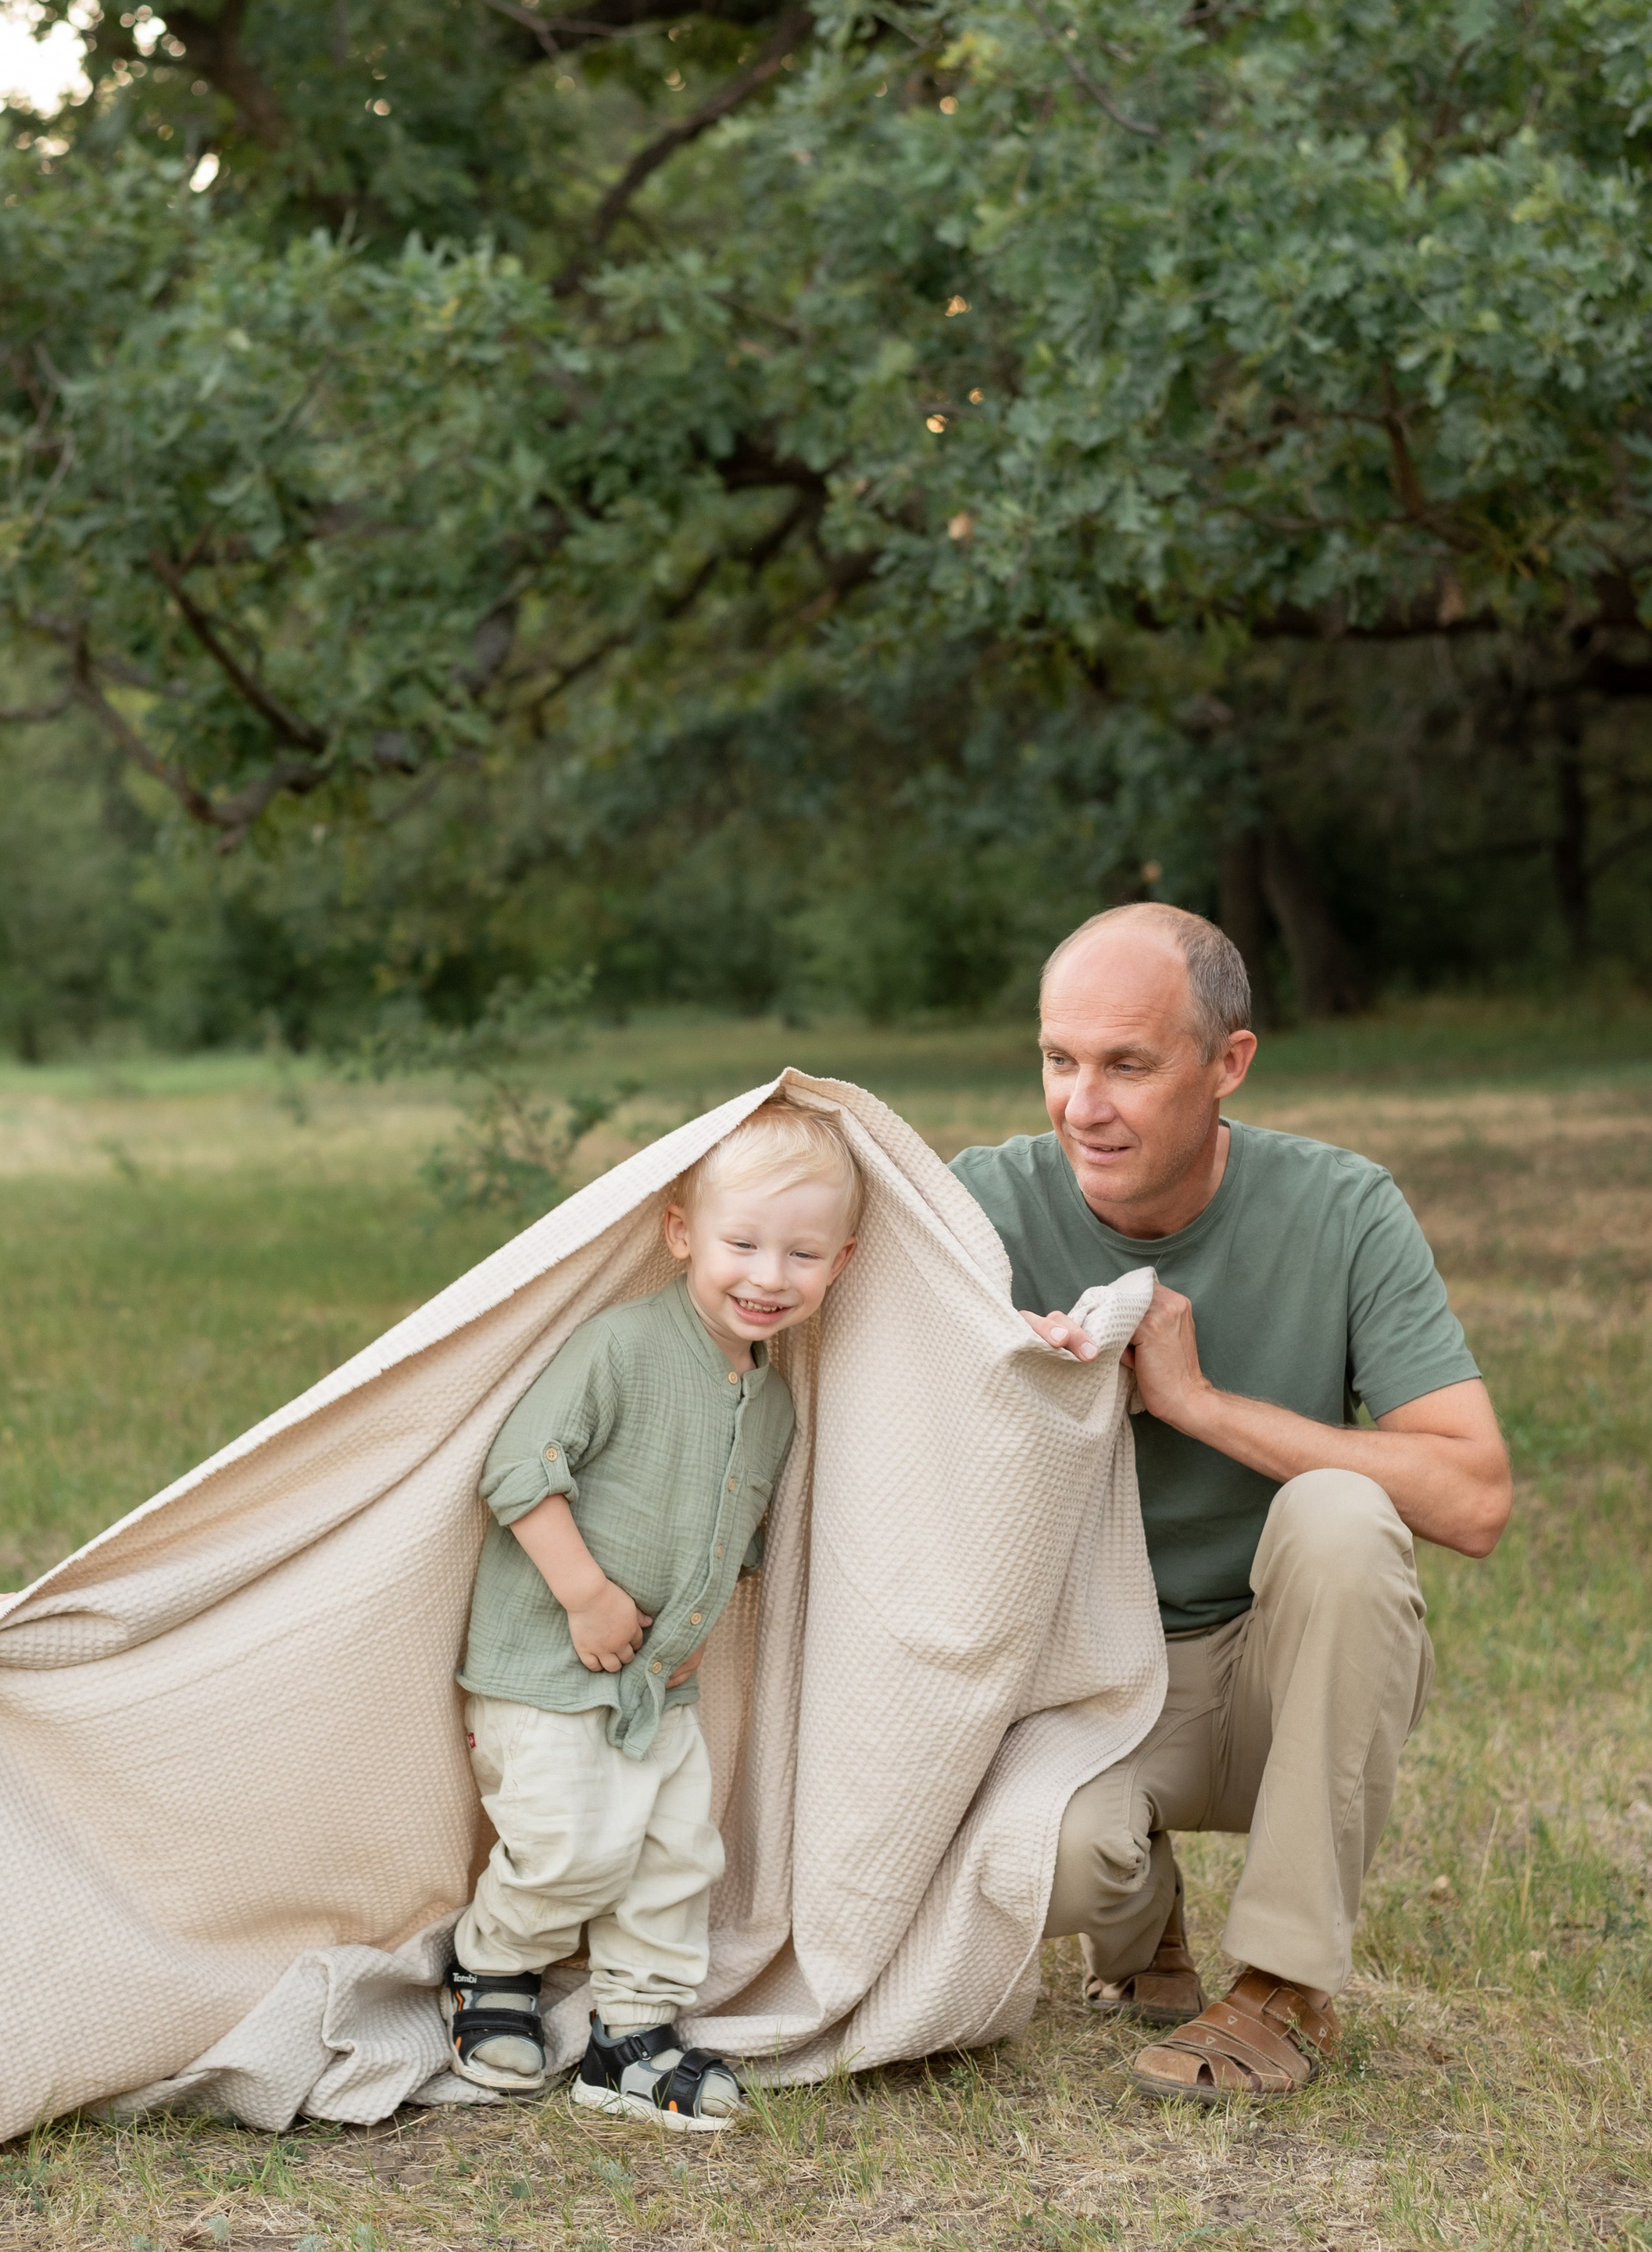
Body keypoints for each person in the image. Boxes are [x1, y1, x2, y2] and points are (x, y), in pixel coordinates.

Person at [950, 904, 1510, 2104]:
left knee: (1345, 1515)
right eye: (1061, 1061)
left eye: (1129, 1066)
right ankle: (1140, 1915)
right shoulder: (977, 1209)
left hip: (1280, 1677)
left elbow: (1472, 1499)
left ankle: (1281, 1988)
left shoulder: (1345, 1207)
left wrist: (1200, 1405)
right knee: (1048, 1869)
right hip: (1084, 1684)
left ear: (1229, 1064)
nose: (1082, 1106)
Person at [443, 1098, 861, 2125]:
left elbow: (736, 1537)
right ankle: (489, 1969)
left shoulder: (772, 1402)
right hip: (546, 1666)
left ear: (840, 1263)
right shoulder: (620, 1349)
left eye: (803, 1255)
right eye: (743, 1244)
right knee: (570, 1848)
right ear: (682, 1232)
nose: (771, 1277)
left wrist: (696, 1634)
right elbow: (516, 1470)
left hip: (661, 1686)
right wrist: (585, 1595)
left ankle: (630, 2030)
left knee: (677, 1855)